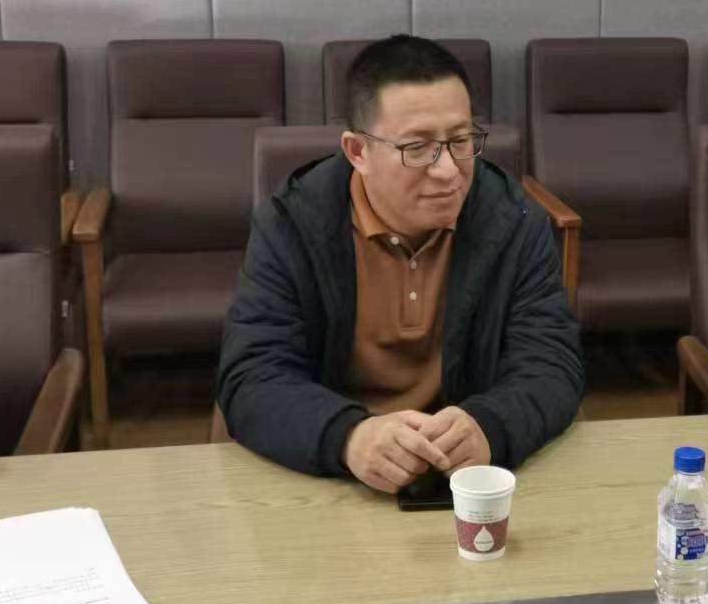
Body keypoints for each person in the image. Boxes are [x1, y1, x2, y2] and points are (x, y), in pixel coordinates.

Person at [218, 34, 583, 491]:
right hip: (333, 476)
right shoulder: (291, 227)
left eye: (461, 140)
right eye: (417, 148)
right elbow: (253, 377)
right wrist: (348, 436)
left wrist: (490, 424)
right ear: (358, 152)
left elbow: (552, 365)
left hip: (465, 480)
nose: (448, 171)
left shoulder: (514, 221)